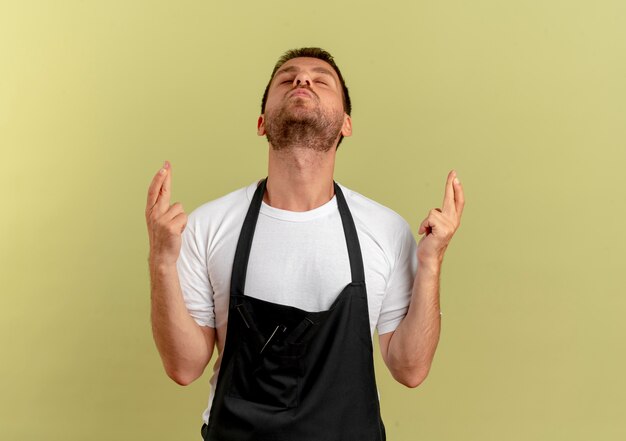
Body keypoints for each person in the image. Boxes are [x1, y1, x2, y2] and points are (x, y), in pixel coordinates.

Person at [145, 47, 465, 441]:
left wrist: (432, 264)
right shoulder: (208, 225)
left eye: (321, 79)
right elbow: (184, 367)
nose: (302, 80)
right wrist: (161, 262)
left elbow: (410, 369)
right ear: (262, 122)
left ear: (346, 124)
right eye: (287, 78)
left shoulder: (385, 231)